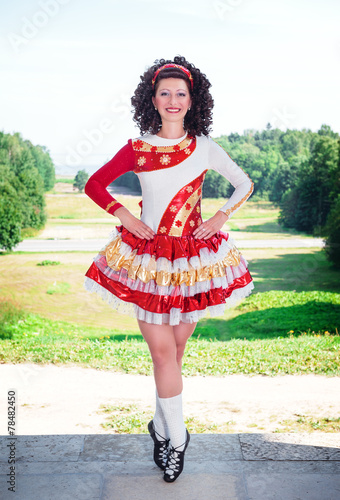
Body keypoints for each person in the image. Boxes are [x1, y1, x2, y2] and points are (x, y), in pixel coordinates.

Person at [84, 56, 254, 482]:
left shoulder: (206, 147)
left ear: (193, 100)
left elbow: (244, 184)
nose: (173, 100)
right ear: (152, 99)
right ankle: (177, 442)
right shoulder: (138, 148)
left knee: (175, 354)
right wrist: (124, 215)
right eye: (165, 93)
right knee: (162, 352)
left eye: (181, 93)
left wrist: (219, 218)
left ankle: (160, 428)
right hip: (149, 262)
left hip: (192, 264)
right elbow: (94, 183)